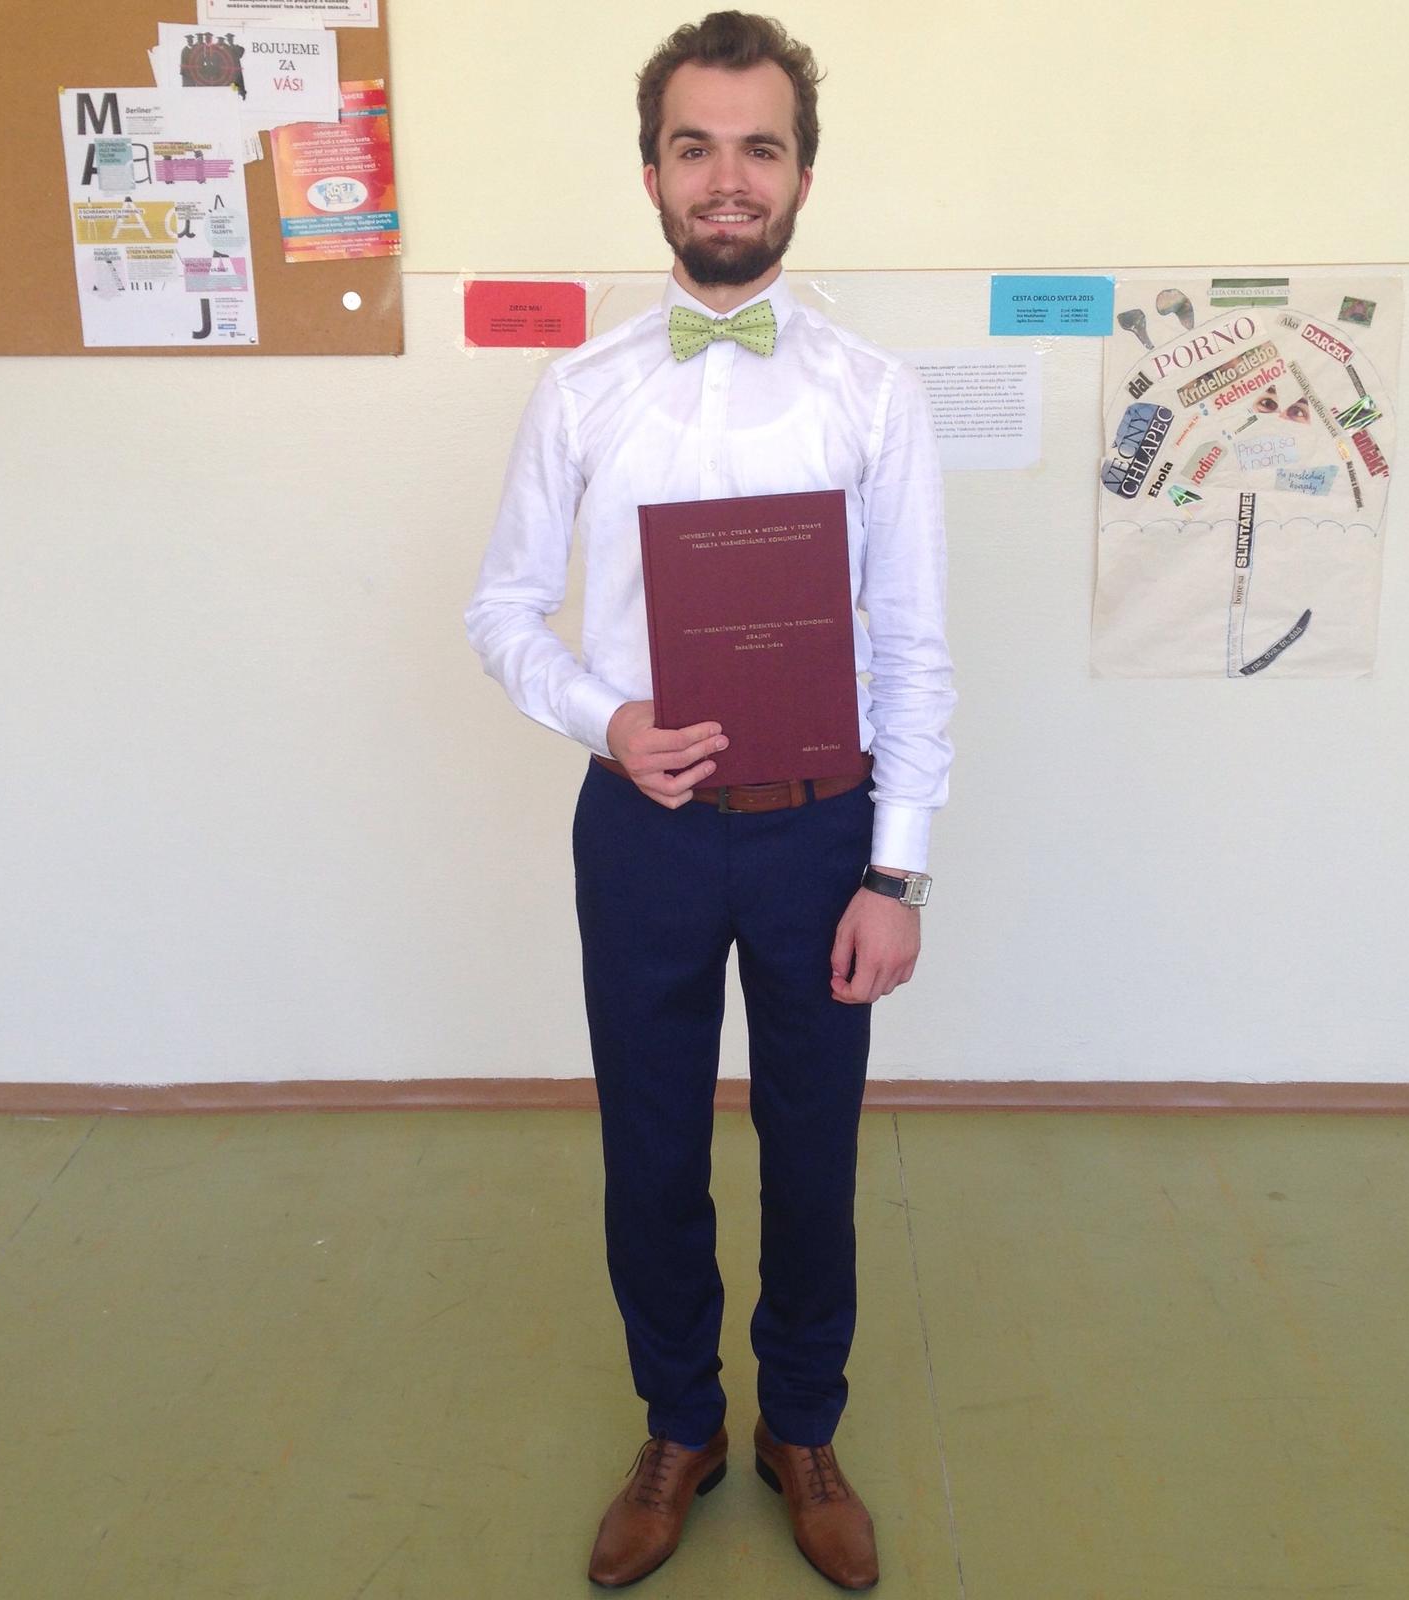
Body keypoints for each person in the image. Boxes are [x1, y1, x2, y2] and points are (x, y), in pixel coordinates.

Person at [465, 11, 953, 1588]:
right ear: (654, 173)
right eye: (696, 147)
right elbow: (501, 609)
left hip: (824, 833)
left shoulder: (874, 393)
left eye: (759, 147)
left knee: (814, 1153)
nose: (727, 177)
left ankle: (802, 1426)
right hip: (646, 835)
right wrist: (605, 717)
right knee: (652, 1150)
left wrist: (898, 875)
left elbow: (916, 648)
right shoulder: (581, 391)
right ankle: (680, 1424)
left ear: (802, 173)